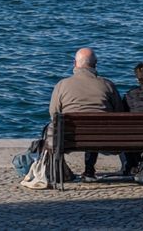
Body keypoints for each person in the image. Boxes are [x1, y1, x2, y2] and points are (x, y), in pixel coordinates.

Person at [44, 47, 125, 183]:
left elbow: (54, 114)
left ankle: (61, 172)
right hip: (103, 138)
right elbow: (119, 112)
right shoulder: (107, 85)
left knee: (54, 129)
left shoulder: (62, 85)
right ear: (95, 64)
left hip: (69, 139)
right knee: (95, 126)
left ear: (75, 63)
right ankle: (89, 170)